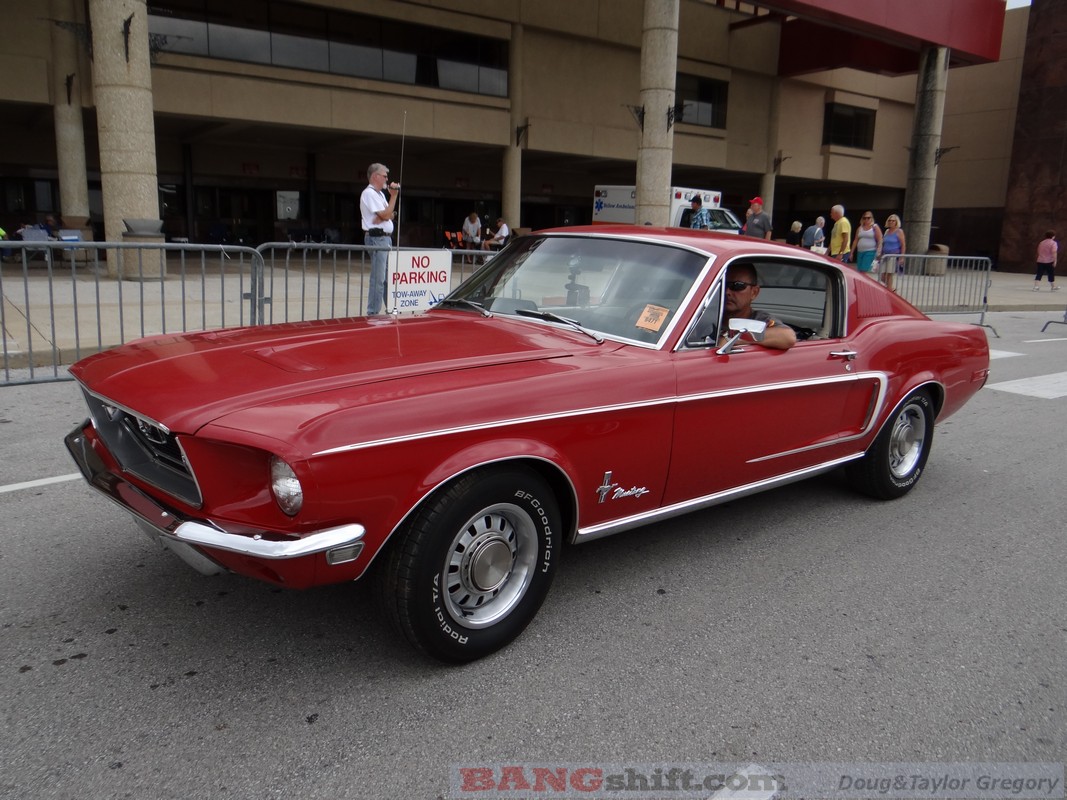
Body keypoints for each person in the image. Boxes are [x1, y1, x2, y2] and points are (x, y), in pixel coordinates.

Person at [718, 263, 797, 350]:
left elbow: (787, 336)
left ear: (754, 292)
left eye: (737, 286)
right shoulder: (706, 316)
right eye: (723, 285)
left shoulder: (761, 320)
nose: (727, 292)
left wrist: (733, 338)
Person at [360, 162, 399, 315]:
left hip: (385, 239)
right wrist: (393, 197)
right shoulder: (369, 193)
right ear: (375, 176)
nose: (387, 179)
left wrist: (388, 214)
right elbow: (385, 214)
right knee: (378, 278)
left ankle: (390, 309)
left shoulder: (380, 194)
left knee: (387, 279)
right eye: (384, 176)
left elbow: (389, 214)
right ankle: (373, 313)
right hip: (377, 239)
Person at [880, 214, 906, 291]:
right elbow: (884, 243)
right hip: (885, 255)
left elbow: (903, 244)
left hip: (893, 255)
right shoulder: (887, 231)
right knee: (882, 276)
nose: (891, 222)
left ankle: (889, 290)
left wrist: (902, 256)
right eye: (890, 220)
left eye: (893, 221)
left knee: (889, 274)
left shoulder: (899, 231)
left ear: (896, 222)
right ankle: (891, 289)